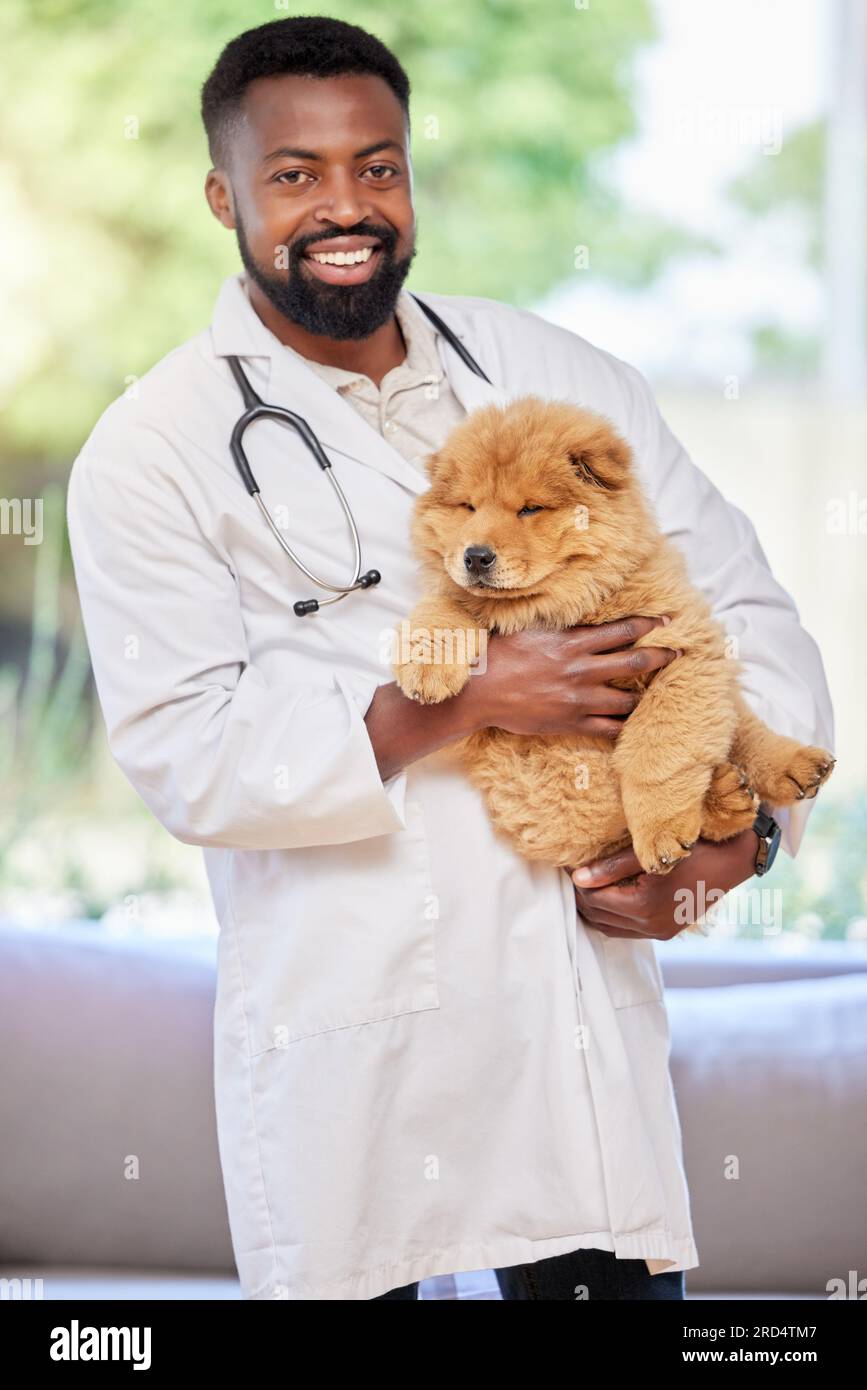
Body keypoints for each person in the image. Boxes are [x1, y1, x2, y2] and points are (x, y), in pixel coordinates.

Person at [65, 16, 834, 1301]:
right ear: (224, 195)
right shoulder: (154, 449)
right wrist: (461, 703)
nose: (345, 205)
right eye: (295, 174)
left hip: (574, 1031)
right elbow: (187, 755)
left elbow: (751, 616)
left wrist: (730, 851)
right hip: (361, 1034)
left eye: (377, 164)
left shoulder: (552, 373)